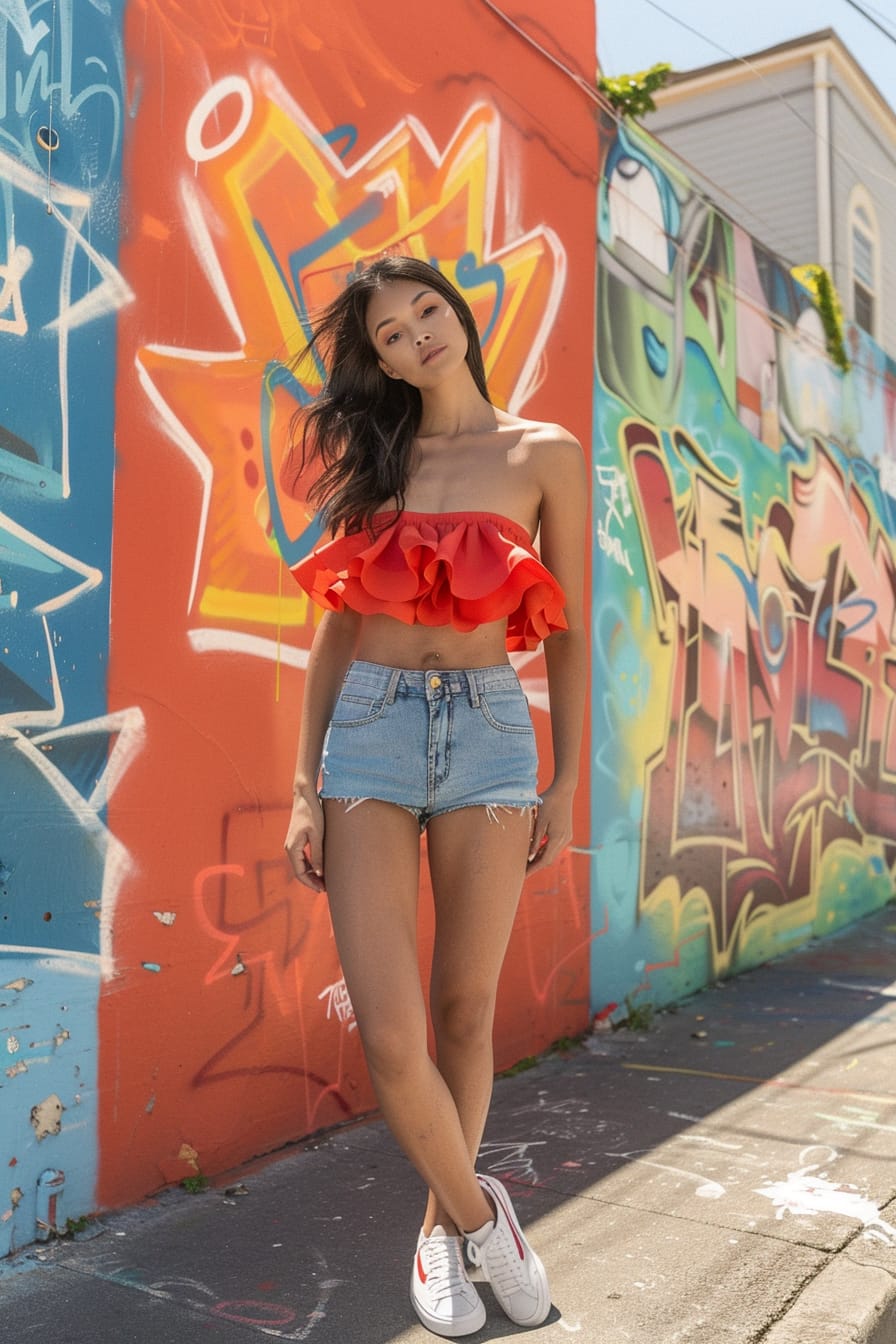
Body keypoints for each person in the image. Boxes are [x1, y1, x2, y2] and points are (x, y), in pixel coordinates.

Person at [283, 255, 586, 1337]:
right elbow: (334, 632)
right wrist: (301, 787)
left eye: (427, 310)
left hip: (492, 743)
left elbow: (575, 635)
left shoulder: (542, 452)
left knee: (464, 1012)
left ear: (457, 314)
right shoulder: (382, 457)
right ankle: (483, 1217)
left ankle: (433, 1234)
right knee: (391, 1034)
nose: (418, 333)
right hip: (367, 735)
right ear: (377, 362)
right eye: (390, 332)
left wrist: (565, 776)